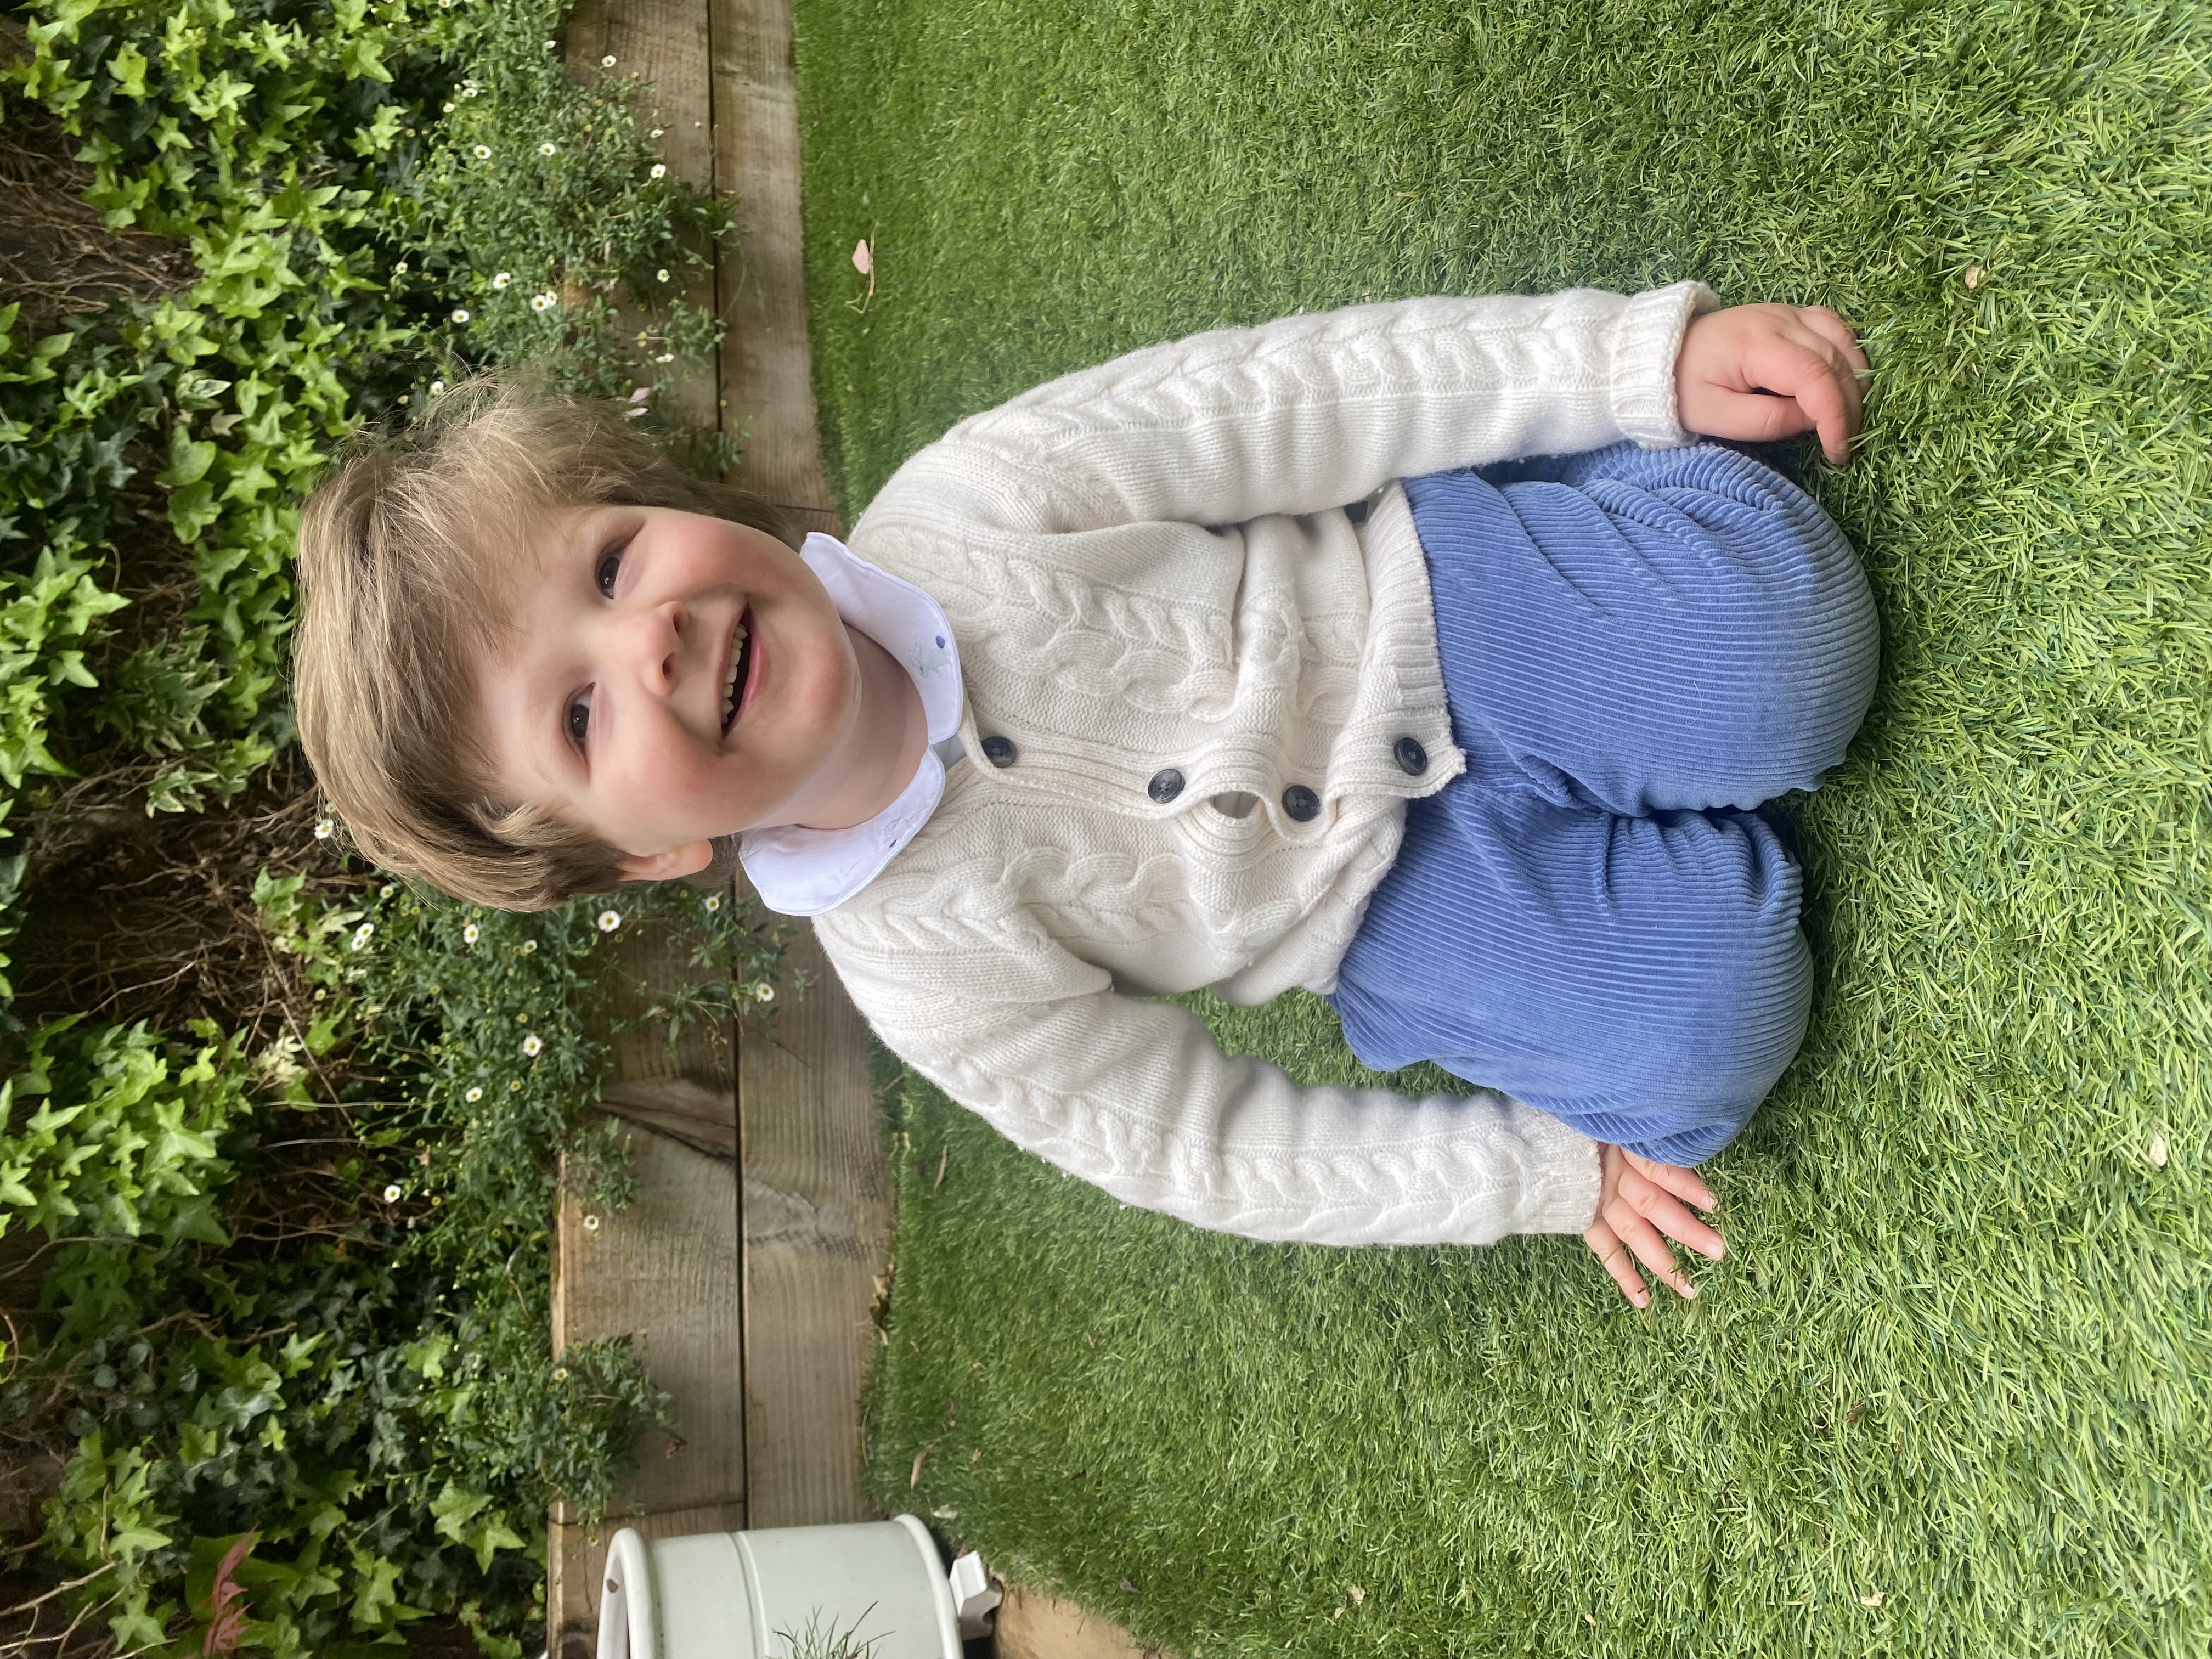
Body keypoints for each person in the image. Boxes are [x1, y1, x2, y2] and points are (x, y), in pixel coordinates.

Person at [294, 280, 1877, 1307]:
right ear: (646, 853)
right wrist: (1537, 1174)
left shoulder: (976, 500)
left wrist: (1628, 367)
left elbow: (1307, 394)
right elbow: (1205, 1145)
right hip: (1381, 918)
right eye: (577, 713)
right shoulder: (925, 980)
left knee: (1808, 650)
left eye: (614, 561)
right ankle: (1629, 867)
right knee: (1712, 1040)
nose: (650, 638)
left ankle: (1615, 561)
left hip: (1434, 605)